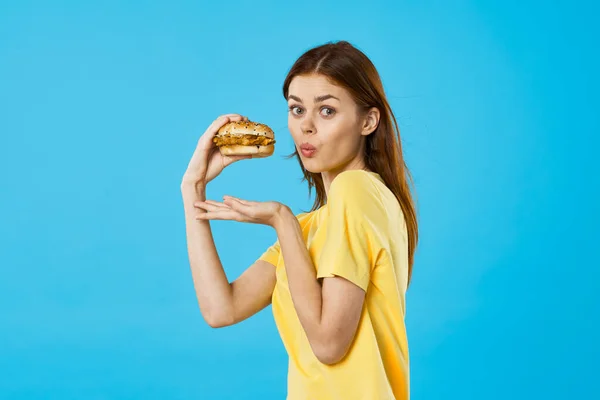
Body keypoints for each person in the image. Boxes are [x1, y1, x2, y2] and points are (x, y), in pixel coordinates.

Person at [180, 40, 419, 400]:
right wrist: (192, 187)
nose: (306, 127)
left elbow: (329, 343)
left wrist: (281, 219)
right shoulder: (314, 225)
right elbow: (221, 308)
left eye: (326, 111)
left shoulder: (357, 192)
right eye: (296, 109)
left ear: (368, 121)